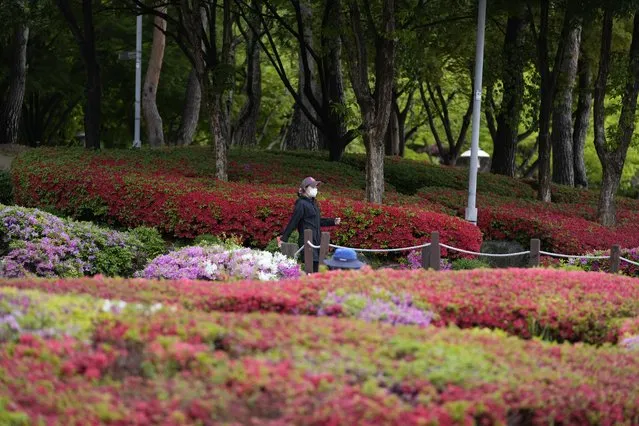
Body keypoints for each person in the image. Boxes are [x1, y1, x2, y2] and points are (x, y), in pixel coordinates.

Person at [277, 177, 341, 273]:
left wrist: (332, 221)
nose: (316, 189)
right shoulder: (301, 204)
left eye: (316, 187)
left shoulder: (313, 204)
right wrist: (283, 239)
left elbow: (317, 221)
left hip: (317, 241)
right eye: (313, 187)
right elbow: (294, 222)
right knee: (312, 270)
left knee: (320, 268)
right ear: (305, 188)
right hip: (307, 242)